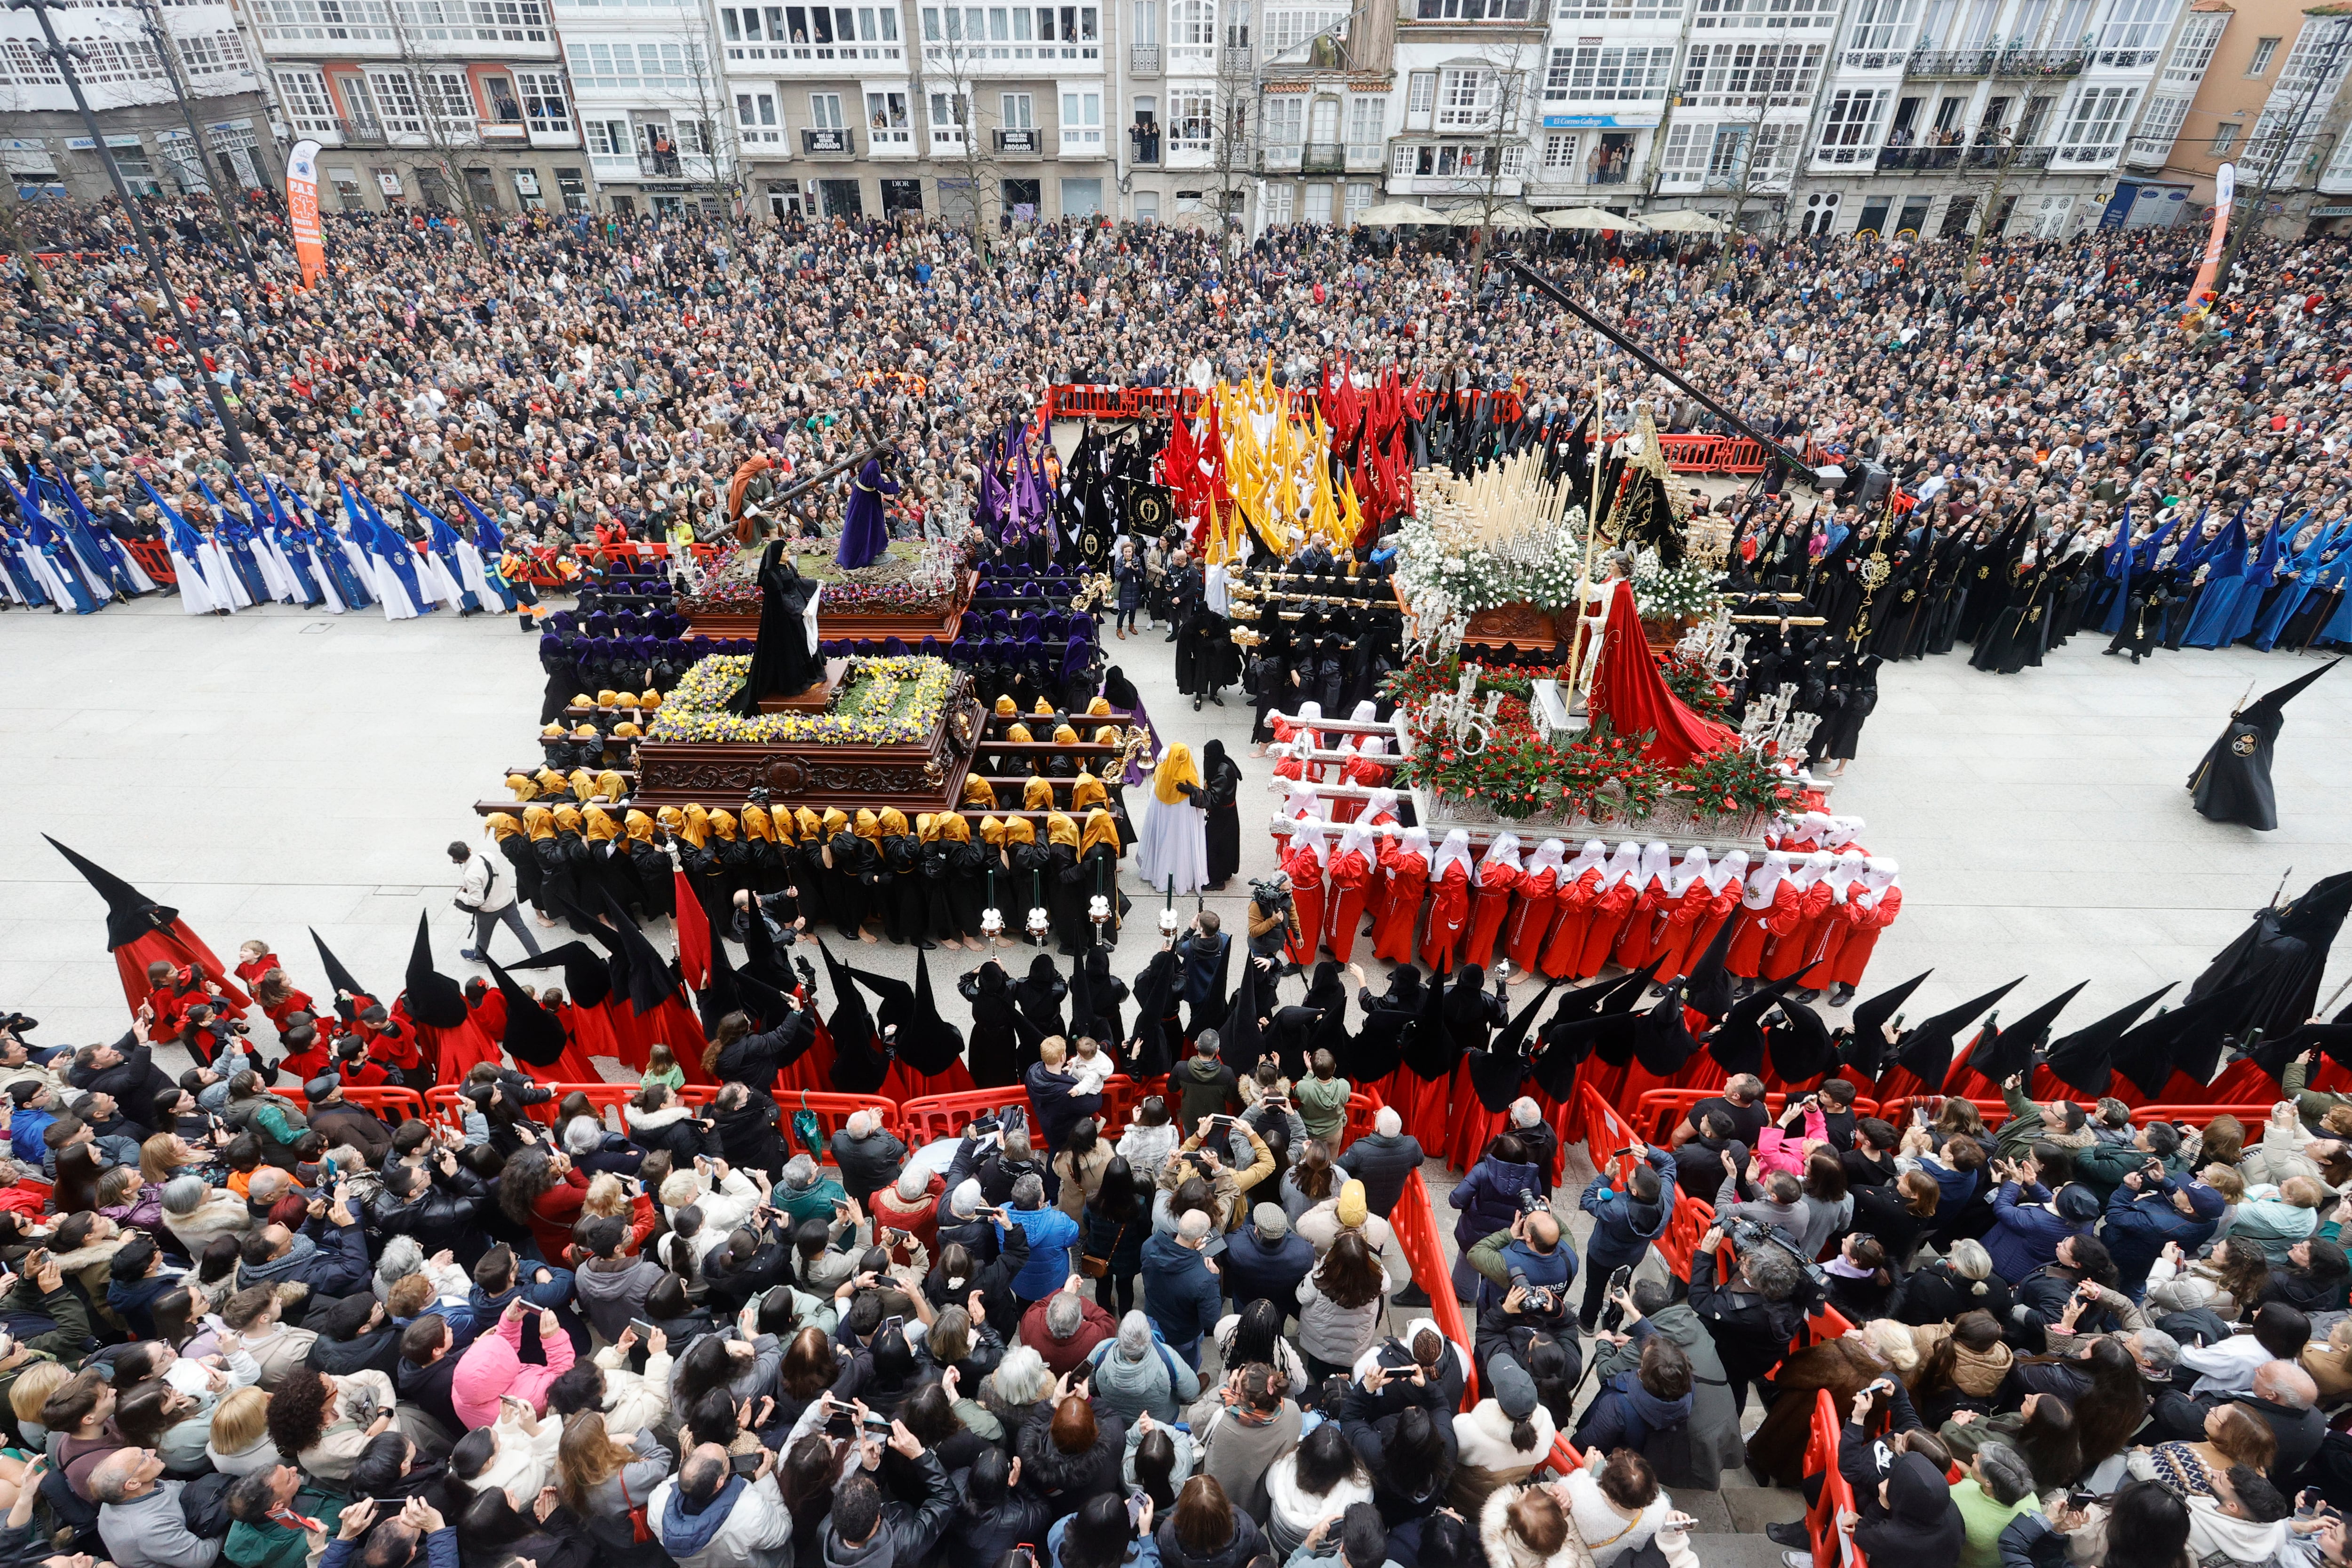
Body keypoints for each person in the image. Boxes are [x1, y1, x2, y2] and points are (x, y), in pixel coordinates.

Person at [451, 840, 542, 964]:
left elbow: (476, 901)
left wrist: (460, 895)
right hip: (508, 900)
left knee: (483, 935)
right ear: (469, 849)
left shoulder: (470, 875)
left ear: (457, 859)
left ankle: (479, 957)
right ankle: (539, 960)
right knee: (522, 930)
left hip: (490, 910)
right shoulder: (487, 855)